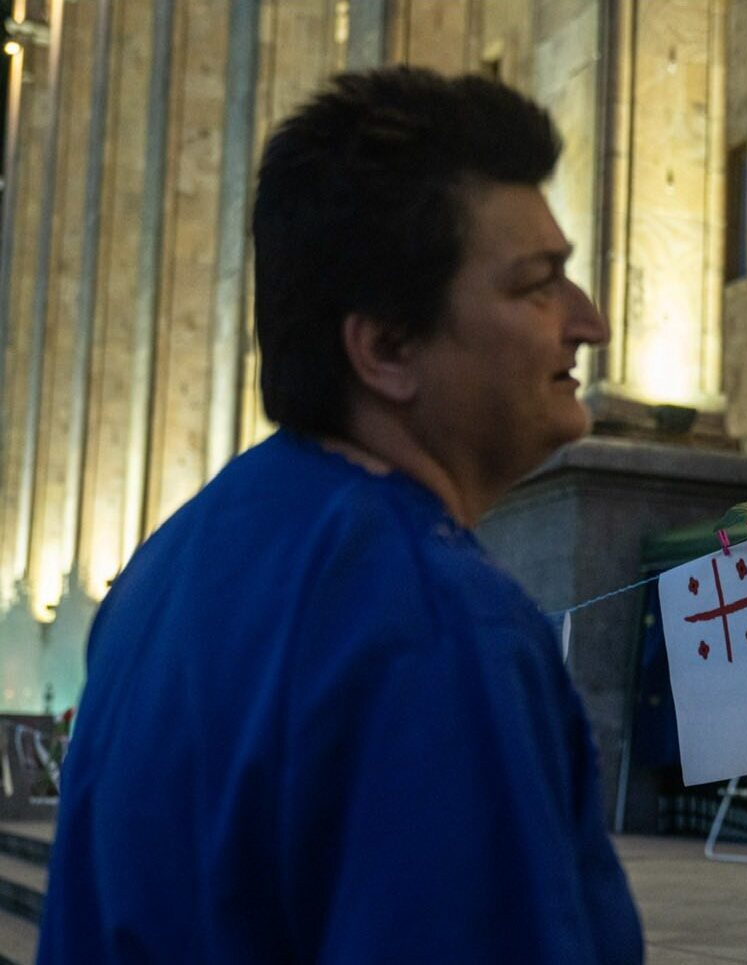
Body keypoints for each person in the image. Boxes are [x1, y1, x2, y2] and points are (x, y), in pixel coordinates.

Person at [38, 69, 642, 963]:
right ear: (387, 347)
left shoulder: (161, 574)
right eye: (537, 286)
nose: (589, 323)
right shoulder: (433, 629)